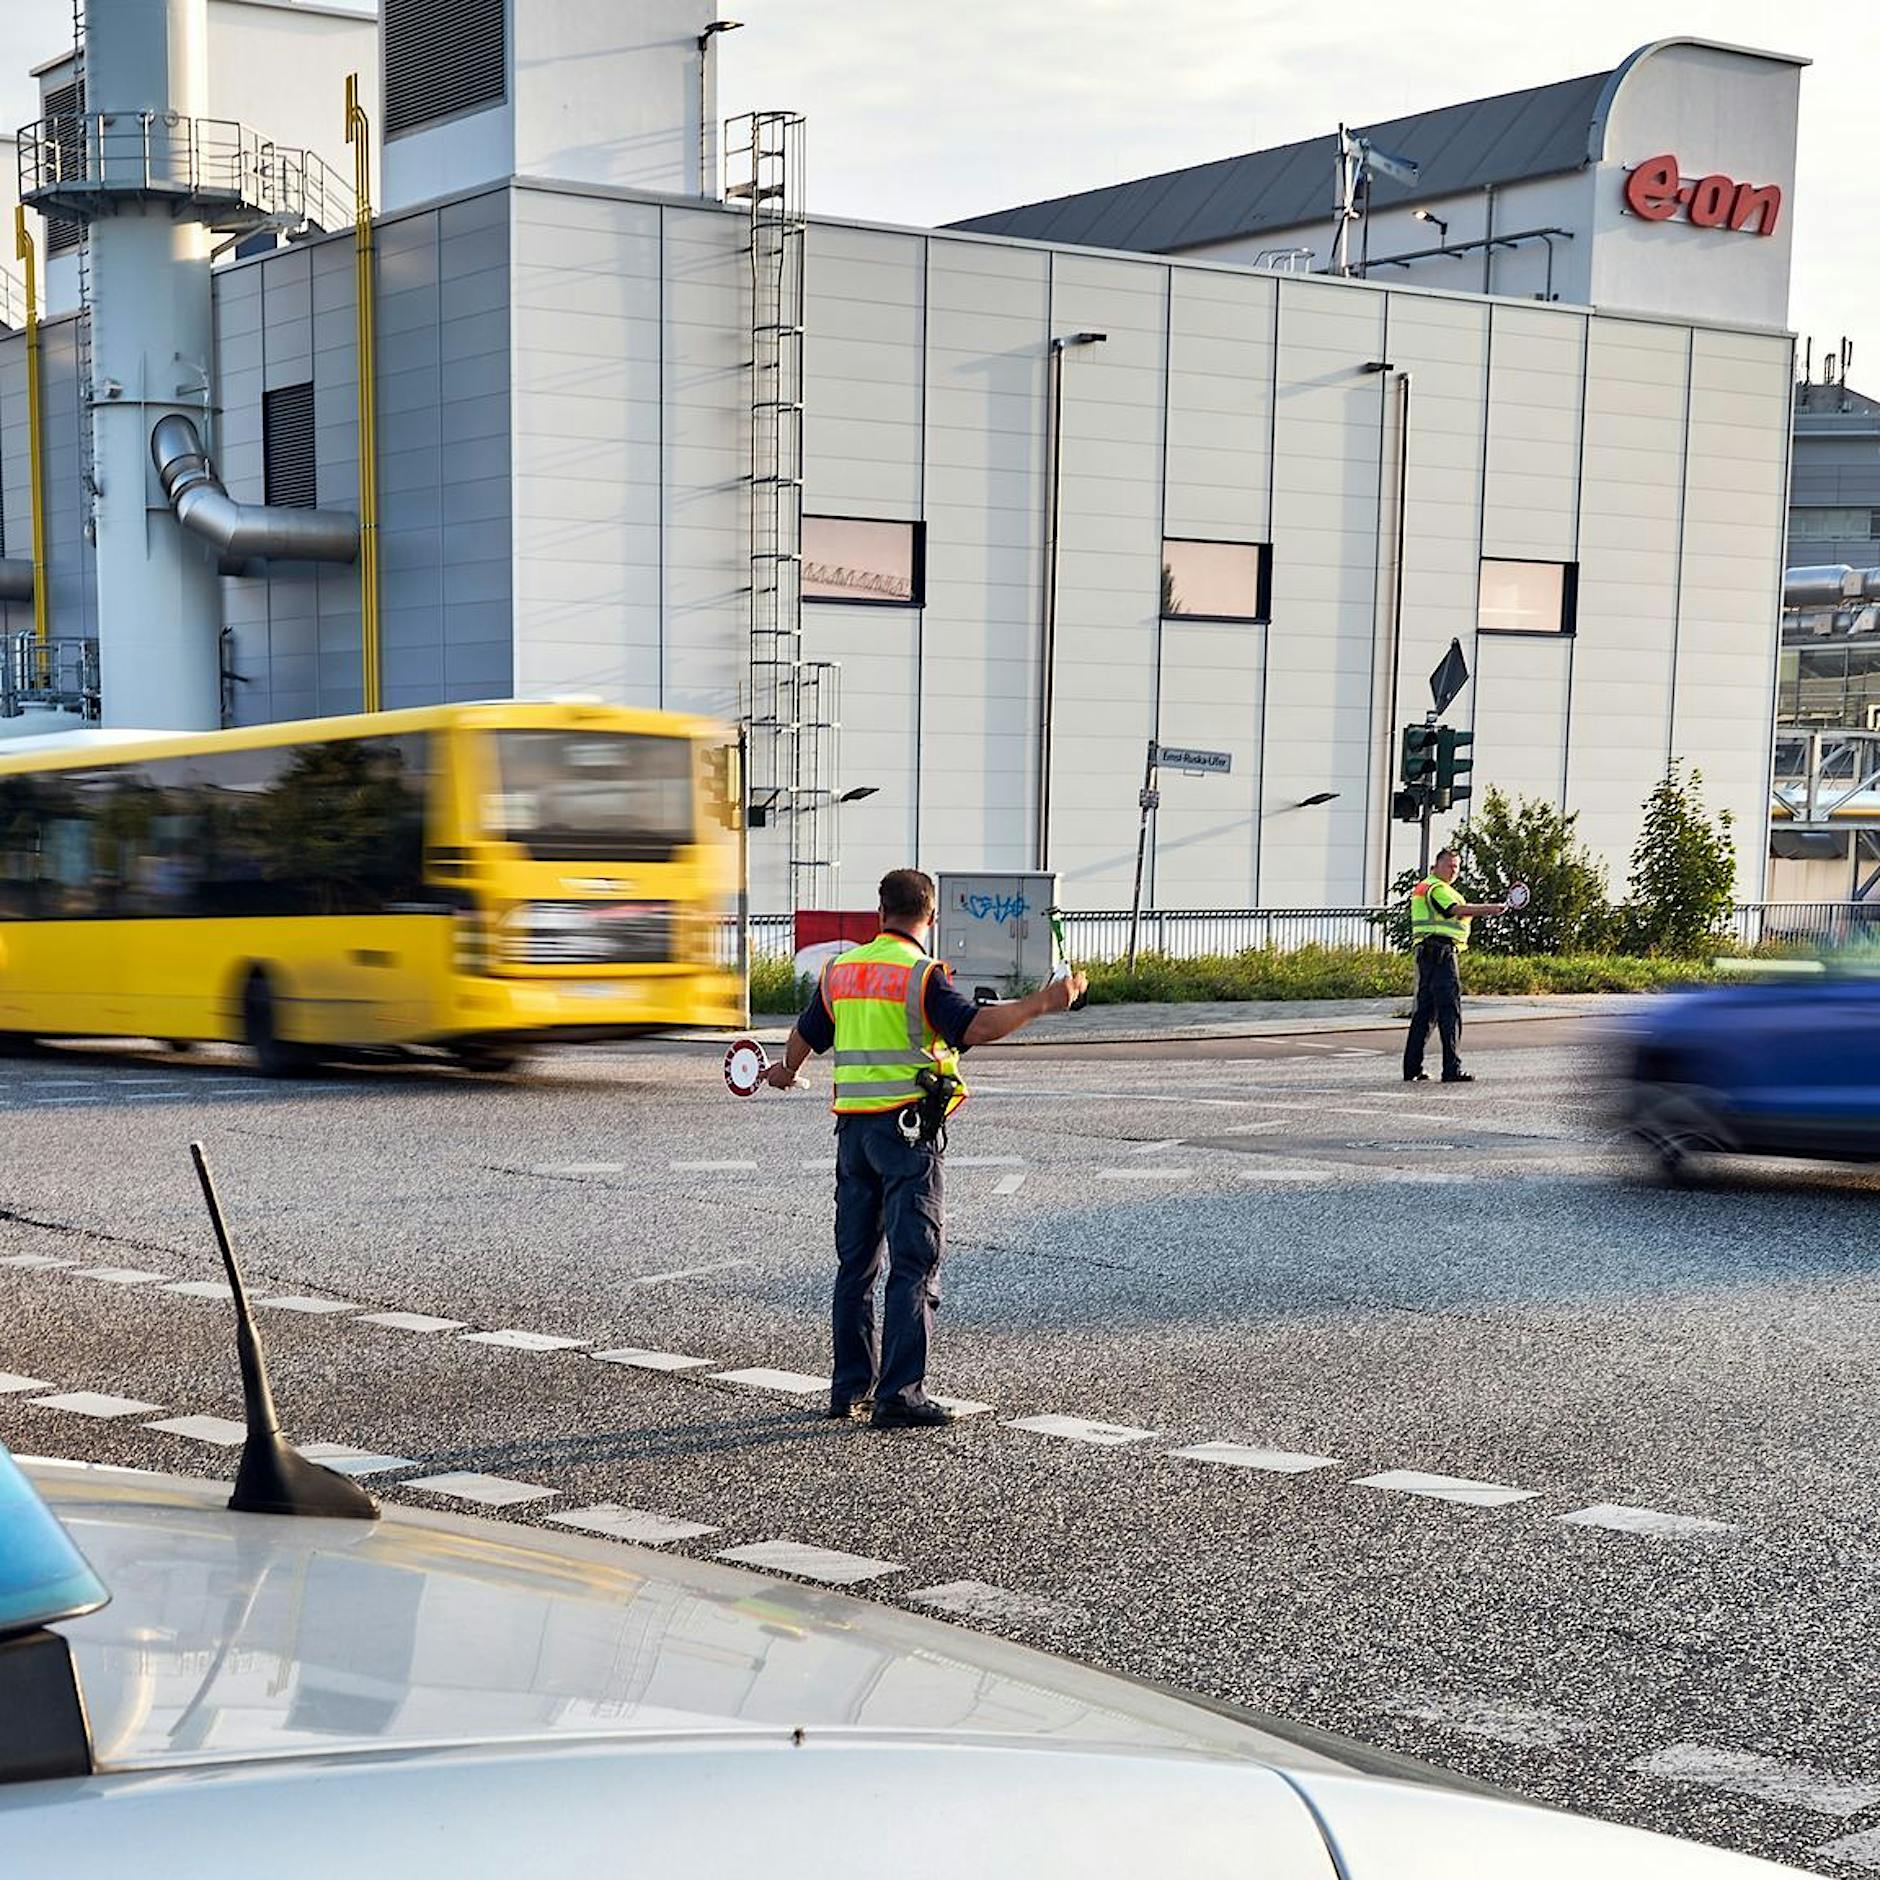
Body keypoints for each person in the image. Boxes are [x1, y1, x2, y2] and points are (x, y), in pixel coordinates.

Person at [762, 868, 1087, 1429]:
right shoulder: (920, 975)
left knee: (856, 1266)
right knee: (914, 1264)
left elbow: (807, 1032)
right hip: (907, 1137)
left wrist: (784, 1070)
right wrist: (1045, 1002)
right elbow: (975, 1027)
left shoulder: (841, 970)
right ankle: (900, 1396)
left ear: (878, 912)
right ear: (930, 917)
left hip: (853, 1137)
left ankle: (848, 1389)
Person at [1403, 848, 1508, 1084]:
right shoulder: (1437, 888)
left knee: (1425, 1014)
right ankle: (1451, 1069)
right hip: (1440, 954)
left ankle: (1412, 1068)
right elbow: (1454, 910)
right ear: (1437, 866)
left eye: (1457, 867)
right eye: (1450, 865)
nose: (1453, 870)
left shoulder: (1426, 887)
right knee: (1449, 1012)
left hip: (1427, 953)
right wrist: (1489, 909)